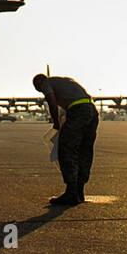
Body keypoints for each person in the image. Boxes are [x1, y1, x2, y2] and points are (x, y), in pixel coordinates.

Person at [33, 73, 99, 206]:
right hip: (92, 110)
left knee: (66, 149)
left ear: (39, 83)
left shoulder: (47, 83)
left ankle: (71, 192)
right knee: (84, 151)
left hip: (79, 111)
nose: (41, 92)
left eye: (38, 89)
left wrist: (56, 122)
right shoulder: (65, 81)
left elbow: (51, 102)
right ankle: (79, 191)